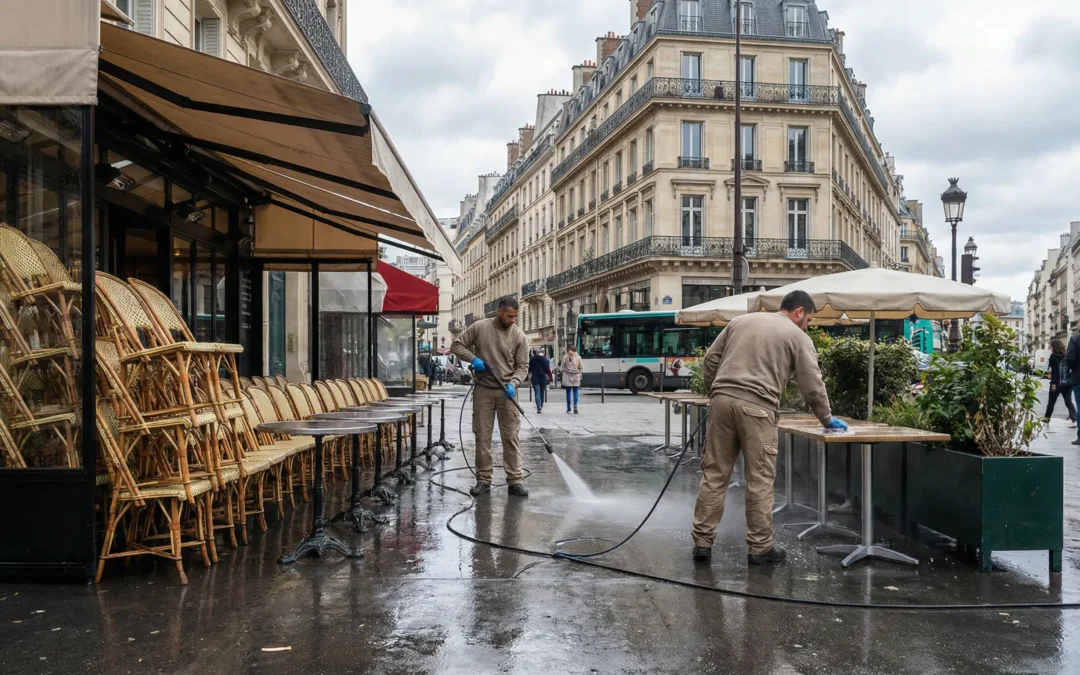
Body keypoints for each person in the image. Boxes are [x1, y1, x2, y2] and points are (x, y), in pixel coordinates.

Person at [692, 290, 846, 566]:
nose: (808, 325)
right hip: (759, 409)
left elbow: (710, 360)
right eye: (808, 319)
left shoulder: (741, 321)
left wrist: (716, 393)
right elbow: (812, 386)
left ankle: (702, 543)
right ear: (799, 311)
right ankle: (760, 547)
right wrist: (827, 419)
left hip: (722, 403)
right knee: (759, 480)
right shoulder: (799, 338)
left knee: (714, 474)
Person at [451, 296, 530, 497]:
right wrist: (474, 358)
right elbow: (457, 345)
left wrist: (514, 383)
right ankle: (483, 480)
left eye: (515, 317)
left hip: (507, 392)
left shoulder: (519, 335)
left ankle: (515, 480)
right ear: (499, 312)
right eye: (510, 316)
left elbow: (522, 366)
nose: (513, 320)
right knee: (482, 437)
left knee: (511, 436)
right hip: (483, 390)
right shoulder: (480, 328)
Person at [1044, 338, 1076, 426]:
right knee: (1068, 402)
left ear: (1054, 347)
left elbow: (1054, 371)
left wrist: (1053, 383)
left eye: (1051, 347)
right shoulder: (1067, 355)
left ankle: (1046, 420)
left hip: (1056, 383)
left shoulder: (1053, 356)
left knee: (1051, 402)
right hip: (1067, 383)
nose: (1050, 348)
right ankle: (1074, 419)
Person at [528, 349, 552, 414]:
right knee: (542, 393)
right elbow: (547, 369)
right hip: (543, 378)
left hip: (535, 378)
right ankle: (541, 405)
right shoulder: (545, 360)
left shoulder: (533, 359)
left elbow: (530, 368)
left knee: (537, 393)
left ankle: (538, 406)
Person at [561, 345, 583, 414]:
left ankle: (570, 407)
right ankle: (573, 406)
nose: (568, 351)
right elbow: (581, 367)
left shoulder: (566, 357)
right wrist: (580, 373)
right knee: (574, 391)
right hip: (575, 376)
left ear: (572, 350)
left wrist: (562, 371)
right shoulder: (578, 357)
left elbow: (562, 367)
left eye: (569, 350)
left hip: (569, 376)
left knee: (569, 392)